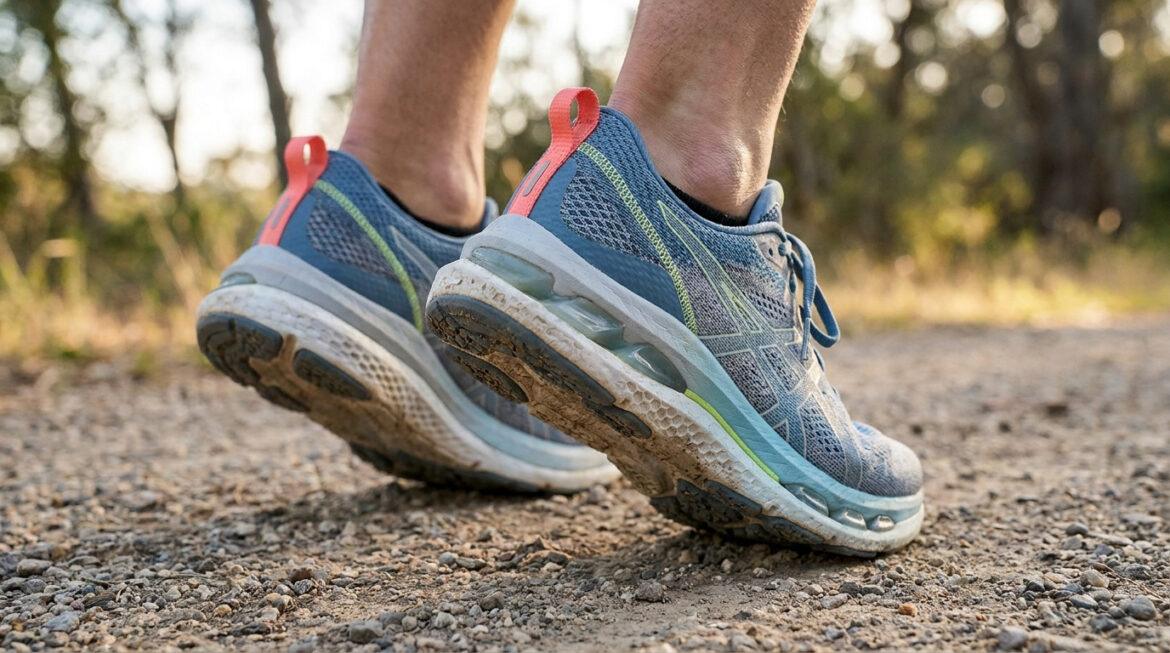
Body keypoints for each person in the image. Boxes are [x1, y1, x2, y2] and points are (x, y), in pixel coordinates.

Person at [196, 0, 924, 555]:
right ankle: (689, 168)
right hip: (653, 213)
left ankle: (391, 191)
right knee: (698, 144)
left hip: (384, 206)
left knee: (416, 172)